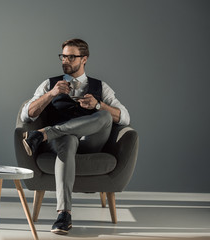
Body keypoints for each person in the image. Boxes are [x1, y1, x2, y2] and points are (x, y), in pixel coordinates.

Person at [20, 38, 130, 235]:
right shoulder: (50, 84)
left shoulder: (100, 86)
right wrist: (51, 94)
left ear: (84, 59)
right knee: (68, 139)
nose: (65, 60)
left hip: (91, 142)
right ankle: (64, 214)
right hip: (61, 144)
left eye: (72, 57)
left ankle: (42, 135)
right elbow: (26, 114)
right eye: (63, 56)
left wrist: (98, 105)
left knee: (104, 115)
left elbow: (125, 118)